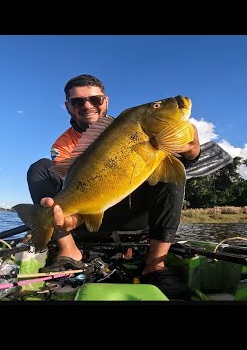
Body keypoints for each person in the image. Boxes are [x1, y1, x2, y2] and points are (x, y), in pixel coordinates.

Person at [26, 74, 200, 299]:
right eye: (78, 102)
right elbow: (71, 182)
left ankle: (156, 264)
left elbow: (188, 157)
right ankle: (68, 249)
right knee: (40, 168)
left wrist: (192, 149)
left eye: (95, 99)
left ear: (105, 101)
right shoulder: (62, 144)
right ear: (68, 107)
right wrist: (73, 217)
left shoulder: (128, 125)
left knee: (172, 172)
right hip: (89, 210)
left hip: (133, 212)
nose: (87, 106)